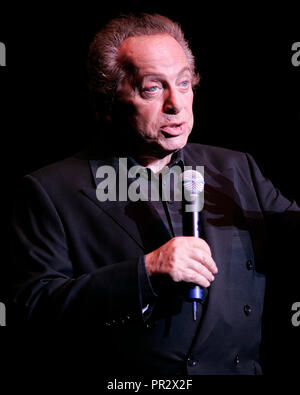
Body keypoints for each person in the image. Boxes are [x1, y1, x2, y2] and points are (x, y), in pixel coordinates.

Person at [7, 13, 299, 375]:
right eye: (152, 88)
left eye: (184, 83)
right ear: (108, 101)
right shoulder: (51, 191)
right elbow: (32, 311)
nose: (175, 104)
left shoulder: (238, 169)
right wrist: (145, 272)